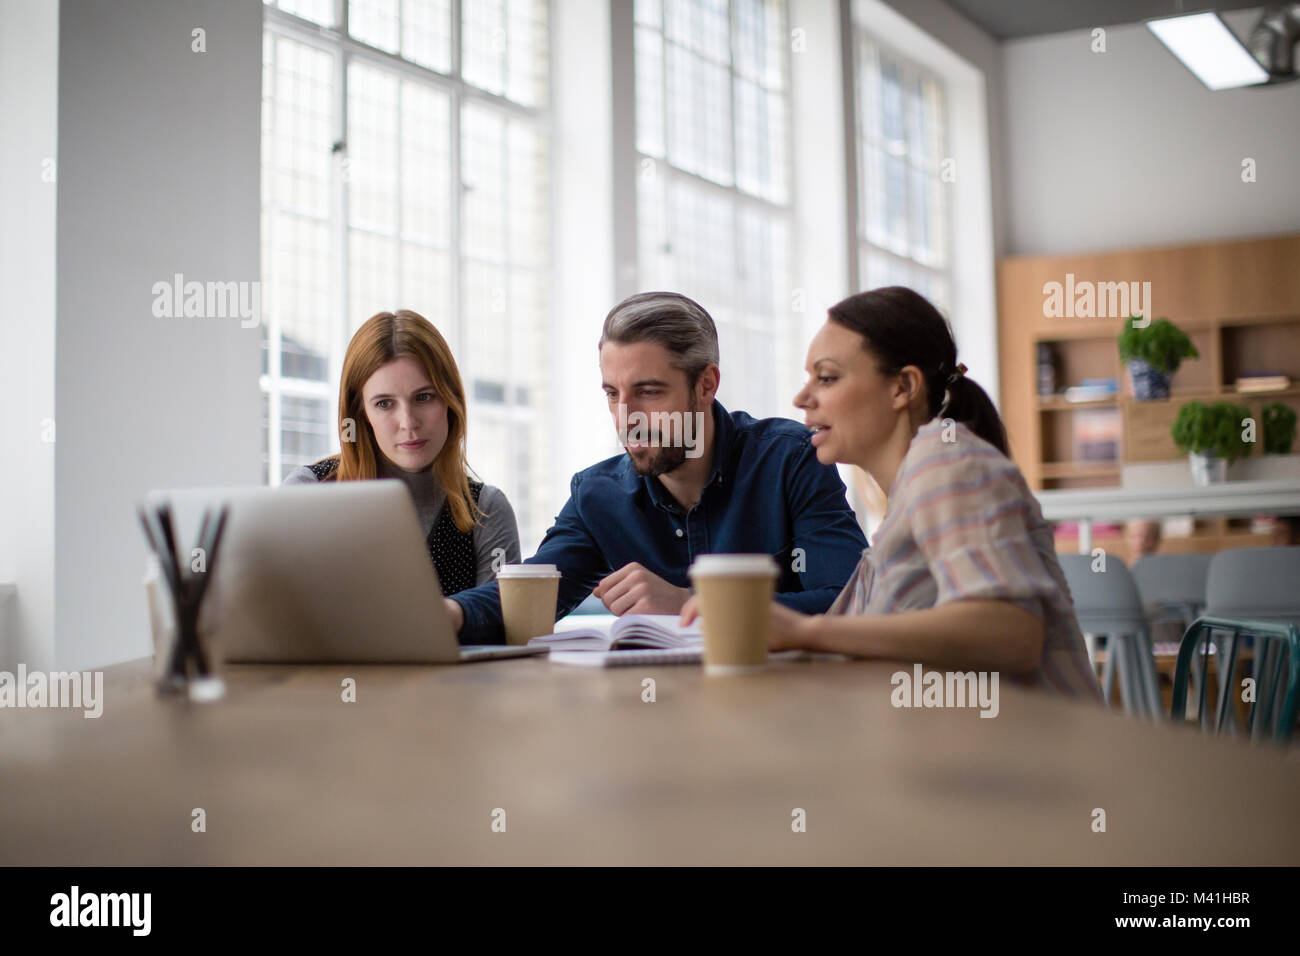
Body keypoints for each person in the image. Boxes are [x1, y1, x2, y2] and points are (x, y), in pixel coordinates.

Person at [683, 286, 1102, 701]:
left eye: (826, 377)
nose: (802, 398)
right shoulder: (905, 502)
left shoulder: (946, 459)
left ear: (902, 387)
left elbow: (1011, 633)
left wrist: (808, 631)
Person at [446, 291, 869, 643]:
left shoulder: (790, 459)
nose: (625, 416)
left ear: (706, 385)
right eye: (613, 394)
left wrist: (691, 603)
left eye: (648, 391)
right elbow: (528, 592)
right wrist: (447, 614)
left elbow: (854, 601)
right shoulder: (597, 495)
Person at [284, 310, 520, 595]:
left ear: (450, 400)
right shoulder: (309, 491)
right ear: (362, 415)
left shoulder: (486, 510)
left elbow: (500, 626)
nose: (408, 423)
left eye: (424, 397)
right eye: (384, 404)